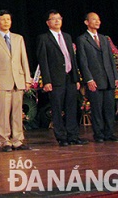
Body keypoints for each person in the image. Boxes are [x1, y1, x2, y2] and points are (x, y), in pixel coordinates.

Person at [36, 10, 87, 146]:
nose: (57, 21)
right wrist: (46, 81)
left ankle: (73, 135)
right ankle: (61, 137)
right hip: (55, 79)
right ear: (48, 22)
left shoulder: (67, 36)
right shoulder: (44, 38)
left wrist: (76, 79)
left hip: (70, 77)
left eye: (59, 18)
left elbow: (72, 58)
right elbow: (43, 61)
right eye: (54, 19)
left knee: (72, 107)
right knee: (57, 108)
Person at [0, 10, 32, 152]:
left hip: (18, 80)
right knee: (3, 113)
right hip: (2, 81)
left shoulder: (18, 38)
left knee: (18, 112)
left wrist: (27, 79)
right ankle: (4, 141)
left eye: (8, 19)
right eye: (3, 20)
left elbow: (24, 59)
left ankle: (18, 140)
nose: (6, 22)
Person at [76, 12, 118, 143]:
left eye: (99, 20)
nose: (97, 22)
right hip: (94, 80)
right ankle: (99, 134)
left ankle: (109, 133)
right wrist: (89, 79)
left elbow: (111, 59)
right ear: (86, 22)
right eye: (94, 19)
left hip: (108, 79)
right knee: (97, 108)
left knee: (109, 108)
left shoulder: (104, 39)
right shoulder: (82, 39)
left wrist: (115, 76)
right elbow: (82, 61)